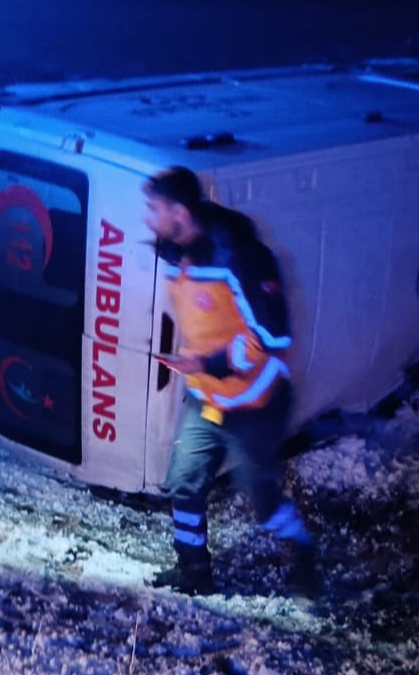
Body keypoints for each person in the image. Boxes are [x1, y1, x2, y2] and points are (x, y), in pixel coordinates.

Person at [144, 166, 316, 595]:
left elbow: (273, 335)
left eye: (154, 210)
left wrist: (208, 359)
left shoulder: (238, 256)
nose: (148, 219)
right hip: (206, 397)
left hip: (255, 402)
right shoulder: (175, 250)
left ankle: (304, 555)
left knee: (263, 502)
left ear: (180, 213)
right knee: (184, 483)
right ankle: (194, 576)